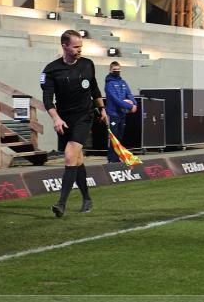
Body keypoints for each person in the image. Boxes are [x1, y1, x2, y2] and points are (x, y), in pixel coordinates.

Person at [40, 30, 108, 216]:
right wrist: (56, 118)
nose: (79, 50)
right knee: (76, 160)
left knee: (70, 155)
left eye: (81, 47)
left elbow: (94, 88)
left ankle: (61, 204)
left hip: (84, 117)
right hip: (64, 120)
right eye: (76, 46)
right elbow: (47, 100)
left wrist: (102, 109)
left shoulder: (87, 64)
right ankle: (87, 198)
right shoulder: (51, 70)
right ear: (64, 46)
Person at [104, 61, 137, 163]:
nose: (117, 71)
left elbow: (129, 94)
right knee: (113, 137)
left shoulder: (123, 82)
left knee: (119, 136)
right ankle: (112, 159)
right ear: (110, 70)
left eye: (118, 70)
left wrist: (135, 104)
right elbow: (116, 99)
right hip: (112, 114)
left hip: (122, 114)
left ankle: (117, 158)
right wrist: (130, 106)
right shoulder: (109, 84)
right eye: (114, 70)